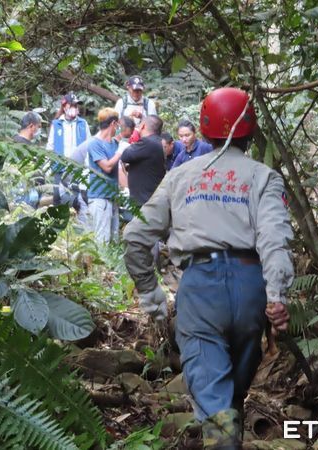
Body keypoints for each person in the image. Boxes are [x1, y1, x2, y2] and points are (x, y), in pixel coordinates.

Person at [122, 87, 294, 450]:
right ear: (250, 129)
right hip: (251, 286)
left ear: (203, 129)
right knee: (234, 392)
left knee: (214, 397)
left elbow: (136, 235)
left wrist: (151, 295)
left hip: (200, 287)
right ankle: (227, 440)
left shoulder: (181, 176)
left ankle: (222, 442)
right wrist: (276, 296)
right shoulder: (264, 177)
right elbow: (274, 240)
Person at [47, 92, 91, 215]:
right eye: (72, 105)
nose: (75, 108)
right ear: (64, 106)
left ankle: (77, 226)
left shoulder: (83, 124)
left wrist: (88, 168)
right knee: (57, 197)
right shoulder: (56, 124)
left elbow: (88, 146)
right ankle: (56, 223)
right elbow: (50, 146)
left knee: (76, 199)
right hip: (59, 167)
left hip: (78, 168)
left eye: (76, 106)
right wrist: (48, 167)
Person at [87, 107, 124, 244]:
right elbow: (107, 167)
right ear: (113, 124)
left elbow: (120, 167)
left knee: (114, 241)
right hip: (99, 198)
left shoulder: (114, 143)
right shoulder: (94, 143)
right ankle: (99, 267)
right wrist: (120, 152)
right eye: (118, 125)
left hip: (113, 197)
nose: (118, 128)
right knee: (102, 241)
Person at [120, 115, 165, 206]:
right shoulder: (157, 141)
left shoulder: (147, 142)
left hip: (144, 200)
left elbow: (125, 156)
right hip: (150, 198)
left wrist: (135, 133)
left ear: (143, 126)